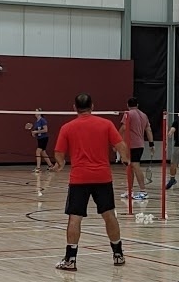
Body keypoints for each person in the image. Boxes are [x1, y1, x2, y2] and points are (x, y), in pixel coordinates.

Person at [52, 93, 128, 271]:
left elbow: (59, 154)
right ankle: (118, 254)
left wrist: (59, 164)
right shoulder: (106, 124)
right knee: (109, 214)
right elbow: (121, 146)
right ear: (92, 106)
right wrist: (126, 160)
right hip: (103, 177)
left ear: (74, 108)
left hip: (79, 179)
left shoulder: (67, 128)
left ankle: (70, 260)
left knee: (75, 217)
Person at [121, 97, 154, 201]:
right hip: (140, 144)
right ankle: (129, 191)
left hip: (132, 144)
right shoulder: (144, 115)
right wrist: (151, 144)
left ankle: (143, 191)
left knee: (135, 165)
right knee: (129, 167)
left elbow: (123, 128)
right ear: (137, 105)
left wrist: (116, 141)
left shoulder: (128, 114)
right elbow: (148, 130)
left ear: (127, 105)